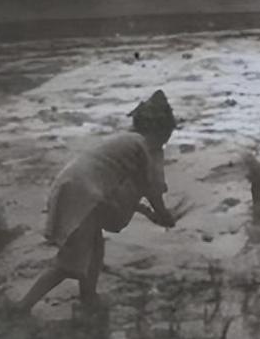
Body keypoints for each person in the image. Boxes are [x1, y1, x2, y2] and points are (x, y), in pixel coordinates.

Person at [14, 90, 179, 313]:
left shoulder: (125, 142)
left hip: (75, 187)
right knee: (69, 262)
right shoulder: (140, 146)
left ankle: (88, 296)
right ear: (159, 131)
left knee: (95, 248)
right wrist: (163, 213)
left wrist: (148, 212)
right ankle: (23, 306)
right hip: (80, 193)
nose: (164, 144)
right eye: (166, 136)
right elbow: (150, 188)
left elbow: (116, 189)